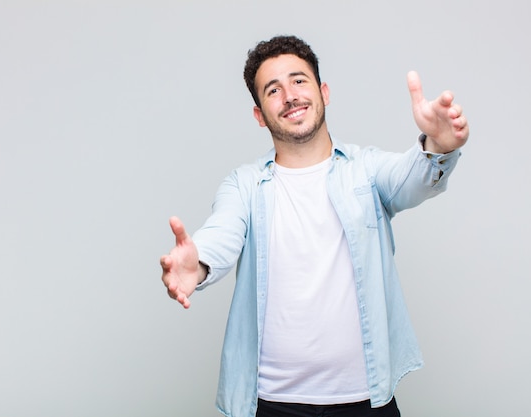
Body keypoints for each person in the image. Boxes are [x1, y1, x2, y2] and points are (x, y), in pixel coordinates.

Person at [160, 35, 469, 417]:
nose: (290, 95)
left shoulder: (366, 170)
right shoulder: (244, 184)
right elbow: (222, 232)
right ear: (259, 114)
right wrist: (199, 263)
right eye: (273, 90)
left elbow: (413, 177)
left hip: (366, 401)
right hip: (271, 404)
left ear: (323, 92)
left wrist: (438, 146)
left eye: (299, 81)